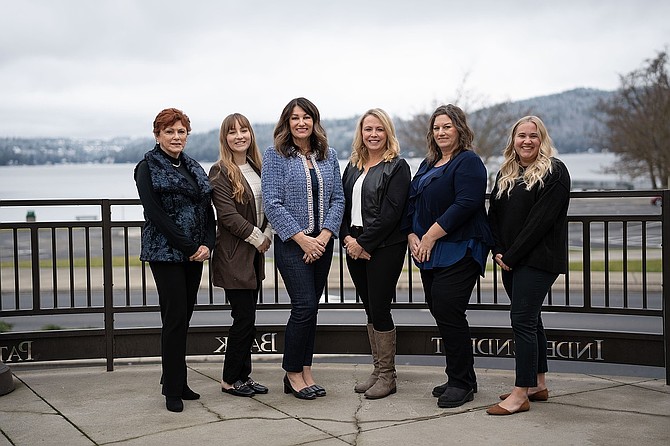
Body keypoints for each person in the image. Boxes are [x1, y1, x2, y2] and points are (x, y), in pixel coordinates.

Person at [403, 104, 493, 408]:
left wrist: (429, 235)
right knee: (439, 309)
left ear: (460, 130)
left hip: (461, 246)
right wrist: (412, 235)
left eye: (447, 127)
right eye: (436, 128)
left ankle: (461, 383)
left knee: (448, 308)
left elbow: (466, 204)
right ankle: (462, 375)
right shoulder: (429, 164)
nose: (441, 132)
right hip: (429, 251)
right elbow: (412, 201)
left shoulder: (469, 162)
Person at [486, 116, 571, 416]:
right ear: (513, 140)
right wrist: (498, 250)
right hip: (509, 260)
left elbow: (540, 223)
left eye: (533, 136)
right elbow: (493, 215)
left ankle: (520, 394)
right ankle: (537, 384)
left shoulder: (555, 172)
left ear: (542, 139)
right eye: (521, 135)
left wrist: (511, 256)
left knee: (521, 320)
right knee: (532, 321)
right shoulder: (506, 173)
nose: (527, 141)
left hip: (538, 260)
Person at [261, 97, 345, 400]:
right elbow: (272, 202)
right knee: (304, 306)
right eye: (294, 118)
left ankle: (306, 370)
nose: (301, 123)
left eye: (306, 117)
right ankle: (292, 373)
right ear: (287, 122)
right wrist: (302, 239)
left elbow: (338, 199)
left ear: (314, 121)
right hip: (291, 245)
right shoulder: (274, 156)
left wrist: (322, 237)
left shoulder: (328, 155)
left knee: (313, 310)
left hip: (322, 245)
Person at [134, 108, 216, 413]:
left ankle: (178, 381)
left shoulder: (193, 166)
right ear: (157, 135)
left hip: (195, 254)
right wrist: (188, 246)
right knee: (174, 319)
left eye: (181, 131)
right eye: (169, 131)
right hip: (166, 253)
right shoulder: (146, 167)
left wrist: (208, 243)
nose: (176, 136)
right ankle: (171, 389)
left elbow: (207, 209)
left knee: (185, 317)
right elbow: (154, 213)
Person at [340, 108, 410, 399]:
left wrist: (364, 243)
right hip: (353, 245)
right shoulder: (354, 165)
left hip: (384, 248)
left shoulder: (398, 166)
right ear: (361, 133)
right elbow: (340, 203)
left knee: (380, 308)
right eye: (368, 129)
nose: (373, 135)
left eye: (379, 129)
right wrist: (346, 238)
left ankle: (388, 376)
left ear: (388, 133)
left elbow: (391, 213)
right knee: (369, 307)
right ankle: (378, 370)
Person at [209, 113, 271, 398]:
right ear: (225, 138)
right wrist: (259, 238)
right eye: (232, 132)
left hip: (255, 254)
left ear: (250, 135)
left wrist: (268, 234)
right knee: (243, 318)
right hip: (235, 256)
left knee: (248, 318)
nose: (239, 136)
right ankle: (230, 379)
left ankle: (243, 377)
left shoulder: (258, 168)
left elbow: (270, 204)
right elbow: (228, 216)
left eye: (243, 130)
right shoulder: (220, 171)